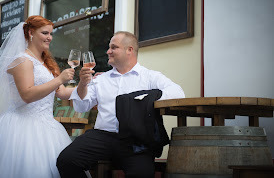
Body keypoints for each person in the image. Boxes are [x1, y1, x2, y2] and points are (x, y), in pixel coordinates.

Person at [0, 15, 76, 178]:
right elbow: (27, 94)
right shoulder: (22, 60)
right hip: (21, 128)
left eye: (51, 34)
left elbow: (61, 92)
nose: (50, 38)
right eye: (45, 33)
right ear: (31, 33)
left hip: (48, 126)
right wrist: (60, 79)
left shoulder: (46, 63)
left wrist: (86, 84)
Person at [56, 31, 185, 178]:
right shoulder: (101, 79)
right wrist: (83, 84)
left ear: (129, 50)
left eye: (113, 47)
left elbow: (177, 93)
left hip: (135, 139)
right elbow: (81, 107)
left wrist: (145, 100)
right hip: (102, 136)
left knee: (142, 174)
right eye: (109, 47)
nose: (108, 51)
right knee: (66, 160)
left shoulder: (150, 76)